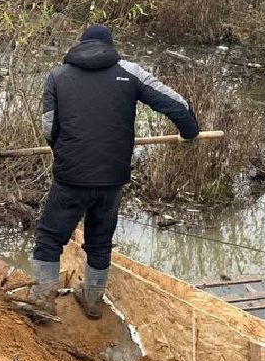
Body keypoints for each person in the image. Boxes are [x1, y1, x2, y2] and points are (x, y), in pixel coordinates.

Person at [24, 23, 199, 319]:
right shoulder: (129, 72)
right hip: (113, 177)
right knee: (100, 240)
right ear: (110, 46)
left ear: (80, 46)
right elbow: (175, 104)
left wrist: (66, 151)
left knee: (50, 238)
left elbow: (48, 129)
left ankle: (42, 299)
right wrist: (190, 132)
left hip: (71, 175)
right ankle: (92, 300)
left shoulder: (57, 76)